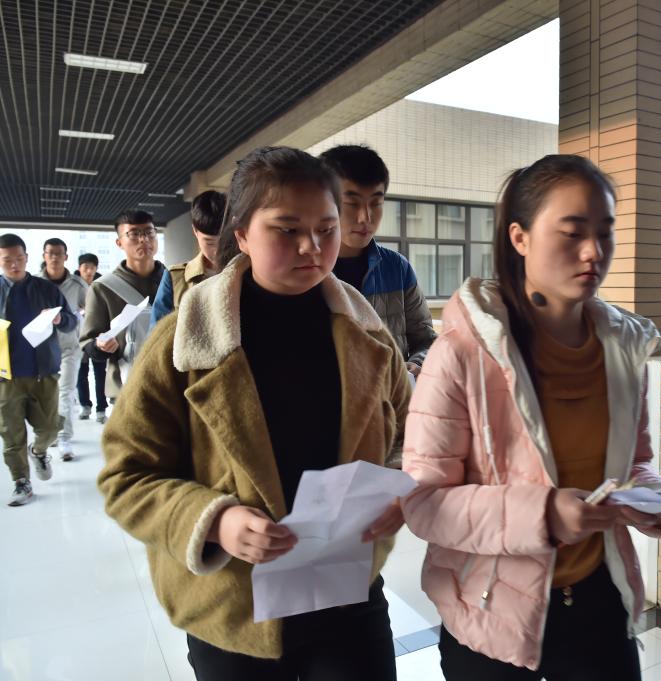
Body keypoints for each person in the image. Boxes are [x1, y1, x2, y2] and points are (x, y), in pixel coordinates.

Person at [98, 146, 412, 680]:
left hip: (346, 592)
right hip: (234, 609)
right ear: (241, 234)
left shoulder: (368, 336)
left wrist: (399, 489)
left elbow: (409, 436)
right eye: (287, 230)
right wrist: (214, 520)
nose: (312, 247)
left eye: (327, 229)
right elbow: (125, 477)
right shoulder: (183, 342)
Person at [401, 154, 661, 680]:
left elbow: (634, 461)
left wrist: (647, 495)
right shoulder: (462, 353)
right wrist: (544, 514)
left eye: (605, 232)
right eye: (572, 233)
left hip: (599, 600)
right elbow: (424, 503)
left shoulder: (623, 349)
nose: (593, 251)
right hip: (491, 615)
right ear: (520, 237)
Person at [318, 144, 436, 374]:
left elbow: (426, 340)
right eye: (352, 203)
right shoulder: (305, 268)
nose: (365, 217)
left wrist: (417, 364)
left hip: (393, 393)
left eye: (376, 203)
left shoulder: (397, 268)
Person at [0, 234, 78, 505]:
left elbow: (71, 321)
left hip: (43, 371)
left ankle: (39, 451)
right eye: (7, 260)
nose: (14, 265)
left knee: (50, 429)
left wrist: (59, 318)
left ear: (27, 258)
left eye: (19, 259)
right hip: (6, 376)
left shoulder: (45, 289)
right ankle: (21, 482)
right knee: (11, 434)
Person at [79, 210, 166, 399]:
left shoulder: (175, 280)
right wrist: (100, 346)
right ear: (119, 243)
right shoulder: (103, 288)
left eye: (149, 232)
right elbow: (88, 342)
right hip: (126, 389)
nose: (144, 239)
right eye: (134, 234)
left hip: (172, 386)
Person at [39, 238, 88, 461]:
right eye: (50, 253)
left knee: (66, 391)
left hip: (70, 347)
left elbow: (91, 309)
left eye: (59, 253)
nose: (54, 258)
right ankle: (51, 432)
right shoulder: (34, 283)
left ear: (66, 257)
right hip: (42, 348)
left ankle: (64, 438)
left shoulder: (78, 285)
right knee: (47, 394)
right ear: (44, 256)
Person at [151, 189, 227, 324]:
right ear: (195, 231)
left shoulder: (249, 271)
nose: (217, 251)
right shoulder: (175, 278)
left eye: (225, 241)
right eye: (209, 243)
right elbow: (157, 333)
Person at [75, 253, 108, 422]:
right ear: (79, 268)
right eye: (85, 267)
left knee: (100, 373)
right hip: (77, 336)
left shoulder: (101, 284)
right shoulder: (73, 285)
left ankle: (101, 409)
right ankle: (85, 406)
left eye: (92, 267)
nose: (89, 271)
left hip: (97, 335)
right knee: (81, 373)